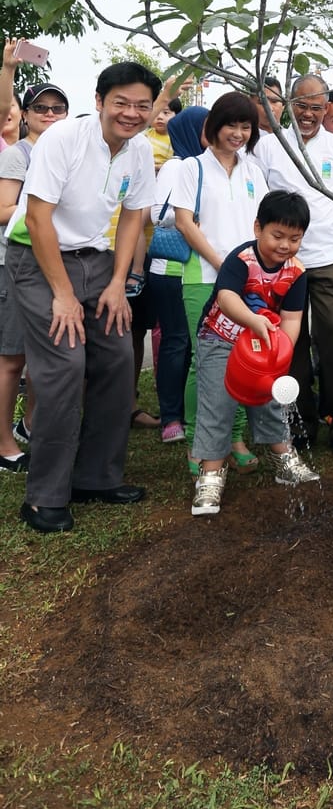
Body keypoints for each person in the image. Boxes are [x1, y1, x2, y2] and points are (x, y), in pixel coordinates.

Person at [5, 62, 160, 533]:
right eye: (121, 103)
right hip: (38, 258)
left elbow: (134, 216)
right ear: (99, 102)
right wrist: (64, 295)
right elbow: (36, 220)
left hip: (97, 260)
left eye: (141, 105)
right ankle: (44, 496)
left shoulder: (137, 153)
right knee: (64, 365)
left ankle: (96, 477)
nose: (131, 113)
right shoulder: (62, 140)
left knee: (115, 358)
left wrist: (118, 283)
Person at [191, 189, 319, 515]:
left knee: (270, 398)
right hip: (221, 339)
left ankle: (284, 458)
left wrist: (280, 354)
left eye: (294, 238)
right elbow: (227, 298)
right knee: (218, 404)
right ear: (257, 228)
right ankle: (210, 476)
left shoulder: (296, 273)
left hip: (265, 347)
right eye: (277, 235)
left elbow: (291, 320)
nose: (284, 245)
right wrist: (253, 321)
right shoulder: (241, 260)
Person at [254, 73, 333, 452]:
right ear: (288, 105)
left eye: (317, 107)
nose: (310, 114)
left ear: (327, 107)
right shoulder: (268, 147)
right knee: (290, 343)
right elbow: (260, 207)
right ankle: (300, 420)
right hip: (282, 262)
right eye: (302, 106)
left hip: (330, 258)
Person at [170, 91, 268, 474]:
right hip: (203, 278)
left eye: (246, 126)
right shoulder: (190, 168)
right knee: (205, 361)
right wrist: (223, 263)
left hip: (248, 282)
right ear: (213, 127)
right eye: (232, 125)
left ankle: (236, 437)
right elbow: (183, 222)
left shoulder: (253, 171)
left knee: (242, 359)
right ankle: (200, 440)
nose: (239, 133)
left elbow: (261, 226)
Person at [0, 82, 70, 472]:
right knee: (11, 359)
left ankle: (29, 425)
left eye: (58, 108)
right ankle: (4, 442)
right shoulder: (17, 156)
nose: (49, 114)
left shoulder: (65, 153)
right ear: (24, 114)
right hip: (15, 262)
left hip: (54, 263)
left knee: (46, 356)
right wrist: (42, 208)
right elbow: (2, 209)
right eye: (40, 107)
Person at [146, 105, 208, 443]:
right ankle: (171, 417)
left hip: (200, 268)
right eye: (206, 127)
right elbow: (159, 213)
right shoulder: (176, 165)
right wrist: (194, 215)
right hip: (171, 268)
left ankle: (191, 410)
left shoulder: (207, 164)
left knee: (196, 343)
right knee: (177, 341)